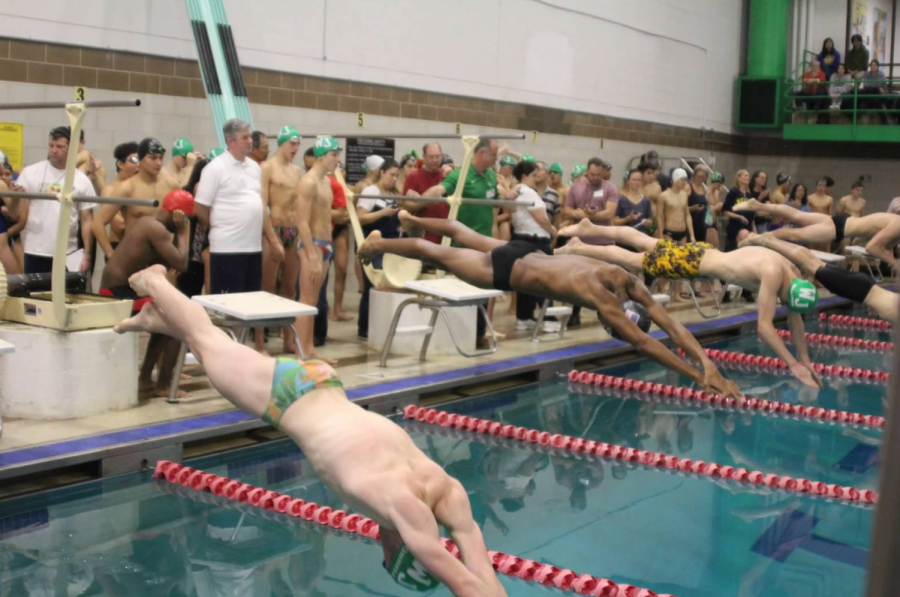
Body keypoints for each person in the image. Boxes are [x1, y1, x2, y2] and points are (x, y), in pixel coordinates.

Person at [114, 265, 509, 597]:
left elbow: (483, 577)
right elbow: (465, 584)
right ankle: (155, 281)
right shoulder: (400, 506)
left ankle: (156, 319)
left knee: (222, 354)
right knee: (208, 338)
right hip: (289, 399)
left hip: (323, 384)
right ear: (404, 550)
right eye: (388, 559)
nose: (382, 549)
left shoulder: (445, 489)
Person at [359, 211, 740, 397]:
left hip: (528, 251)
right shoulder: (602, 304)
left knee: (461, 232)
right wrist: (696, 376)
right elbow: (647, 343)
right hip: (508, 273)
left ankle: (408, 217)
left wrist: (707, 362)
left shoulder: (623, 279)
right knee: (434, 253)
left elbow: (669, 325)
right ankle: (376, 243)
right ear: (614, 323)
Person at [556, 222, 822, 388]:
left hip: (703, 252)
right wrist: (792, 364)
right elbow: (764, 327)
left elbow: (794, 318)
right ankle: (576, 248)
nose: (784, 305)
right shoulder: (774, 274)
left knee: (646, 242)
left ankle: (590, 229)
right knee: (632, 260)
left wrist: (805, 359)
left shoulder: (792, 272)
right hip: (694, 264)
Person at [101, 191, 193, 397]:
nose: (186, 222)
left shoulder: (148, 224)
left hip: (119, 291)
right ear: (177, 214)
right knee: (179, 321)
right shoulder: (155, 228)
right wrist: (181, 232)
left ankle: (145, 379)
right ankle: (161, 384)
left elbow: (170, 264)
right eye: (185, 218)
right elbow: (182, 264)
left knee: (169, 317)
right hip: (117, 295)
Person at [421, 138, 499, 341]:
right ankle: (458, 337)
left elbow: (498, 199)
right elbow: (441, 189)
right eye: (494, 154)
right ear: (481, 153)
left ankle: (478, 336)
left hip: (485, 246)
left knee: (483, 293)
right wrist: (420, 200)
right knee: (463, 293)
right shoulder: (461, 174)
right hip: (464, 248)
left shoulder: (490, 175)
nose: (496, 158)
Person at [741, 233, 898, 324]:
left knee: (813, 261)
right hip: (860, 290)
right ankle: (767, 241)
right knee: (811, 264)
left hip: (864, 287)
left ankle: (770, 240)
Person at [195, 119, 264, 299]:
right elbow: (200, 207)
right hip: (227, 249)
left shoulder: (255, 167)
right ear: (230, 141)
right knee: (228, 305)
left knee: (250, 302)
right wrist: (219, 226)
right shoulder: (215, 168)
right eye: (245, 137)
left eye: (250, 136)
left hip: (253, 247)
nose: (250, 141)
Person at [15, 126, 96, 274]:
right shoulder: (30, 173)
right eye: (51, 145)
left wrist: (88, 255)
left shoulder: (82, 181)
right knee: (35, 297)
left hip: (67, 254)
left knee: (63, 296)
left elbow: (87, 220)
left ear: (71, 148)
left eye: (60, 147)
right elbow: (17, 214)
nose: (54, 150)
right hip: (35, 251)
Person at [732, 199, 900, 268]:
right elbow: (872, 247)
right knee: (794, 235)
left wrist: (891, 256)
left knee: (797, 215)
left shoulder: (895, 221)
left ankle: (757, 205)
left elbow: (883, 244)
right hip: (839, 229)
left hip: (843, 221)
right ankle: (755, 238)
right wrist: (894, 262)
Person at [257, 126, 304, 354]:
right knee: (265, 291)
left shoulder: (297, 171)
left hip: (293, 232)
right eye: (292, 144)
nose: (295, 149)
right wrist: (272, 238)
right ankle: (258, 342)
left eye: (298, 145)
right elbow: (262, 205)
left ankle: (288, 340)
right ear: (282, 143)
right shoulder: (267, 168)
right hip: (273, 230)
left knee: (289, 290)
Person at [294, 135, 341, 359]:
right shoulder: (309, 181)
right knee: (306, 300)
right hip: (311, 246)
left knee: (312, 302)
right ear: (321, 157)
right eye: (334, 155)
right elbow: (301, 221)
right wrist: (312, 254)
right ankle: (300, 351)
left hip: (325, 245)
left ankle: (308, 348)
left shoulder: (325, 181)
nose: (337, 159)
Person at [92, 138, 178, 261]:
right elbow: (97, 224)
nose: (158, 163)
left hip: (162, 255)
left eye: (161, 158)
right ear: (141, 160)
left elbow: (184, 222)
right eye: (153, 158)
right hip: (134, 256)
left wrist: (178, 253)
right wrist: (112, 256)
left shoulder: (171, 185)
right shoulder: (127, 188)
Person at [506, 160, 558, 332]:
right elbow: (541, 218)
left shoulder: (516, 191)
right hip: (535, 240)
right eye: (534, 175)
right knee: (545, 280)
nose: (537, 178)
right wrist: (552, 230)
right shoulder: (528, 192)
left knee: (524, 280)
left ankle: (524, 316)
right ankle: (549, 318)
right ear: (525, 175)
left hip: (520, 237)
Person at [356, 159, 401, 340]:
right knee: (372, 288)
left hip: (391, 248)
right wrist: (383, 213)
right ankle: (364, 328)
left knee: (387, 288)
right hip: (374, 248)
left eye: (397, 176)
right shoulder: (371, 191)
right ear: (381, 172)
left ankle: (381, 325)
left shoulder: (392, 194)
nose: (394, 179)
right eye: (391, 175)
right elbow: (360, 217)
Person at [401, 142, 447, 244]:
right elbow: (407, 205)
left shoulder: (447, 176)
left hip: (447, 232)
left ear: (442, 156)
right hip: (425, 234)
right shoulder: (414, 177)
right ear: (424, 157)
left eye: (437, 157)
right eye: (431, 157)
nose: (435, 160)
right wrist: (425, 202)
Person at [329, 170, 353, 322]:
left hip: (341, 229)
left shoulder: (348, 188)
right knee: (321, 273)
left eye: (343, 171)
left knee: (342, 270)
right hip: (325, 226)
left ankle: (337, 309)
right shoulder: (323, 183)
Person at [657, 168, 694, 242]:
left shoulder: (684, 195)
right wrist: (660, 235)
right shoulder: (663, 196)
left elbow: (687, 215)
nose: (685, 182)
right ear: (675, 180)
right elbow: (660, 217)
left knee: (683, 253)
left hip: (683, 233)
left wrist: (692, 235)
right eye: (682, 180)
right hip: (669, 233)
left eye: (686, 180)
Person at [722, 169, 753, 251]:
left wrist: (754, 231)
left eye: (748, 176)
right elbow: (725, 211)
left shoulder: (750, 195)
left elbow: (752, 217)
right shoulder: (733, 192)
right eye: (745, 175)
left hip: (747, 228)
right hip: (735, 228)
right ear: (739, 178)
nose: (748, 177)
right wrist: (739, 217)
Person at [860, 59, 891, 124]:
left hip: (881, 94)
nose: (873, 67)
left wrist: (874, 87)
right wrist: (876, 87)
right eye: (872, 65)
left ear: (878, 66)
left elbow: (878, 85)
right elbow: (866, 85)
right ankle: (885, 121)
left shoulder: (881, 74)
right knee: (872, 98)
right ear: (870, 66)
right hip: (871, 94)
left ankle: (884, 120)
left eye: (875, 65)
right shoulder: (867, 74)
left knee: (873, 100)